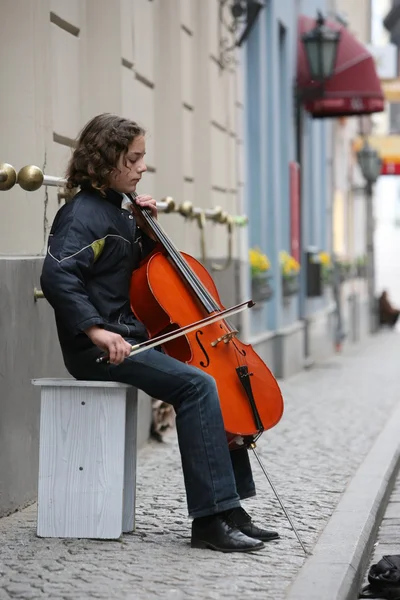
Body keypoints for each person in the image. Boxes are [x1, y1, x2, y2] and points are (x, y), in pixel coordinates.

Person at [40, 113, 279, 553]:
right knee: (198, 385)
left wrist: (146, 233)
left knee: (216, 385)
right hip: (100, 348)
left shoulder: (117, 211)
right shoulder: (80, 216)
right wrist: (95, 330)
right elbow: (58, 277)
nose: (141, 166)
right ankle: (208, 521)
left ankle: (230, 510)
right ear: (106, 159)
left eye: (142, 157)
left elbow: (132, 274)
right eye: (133, 158)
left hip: (129, 337)